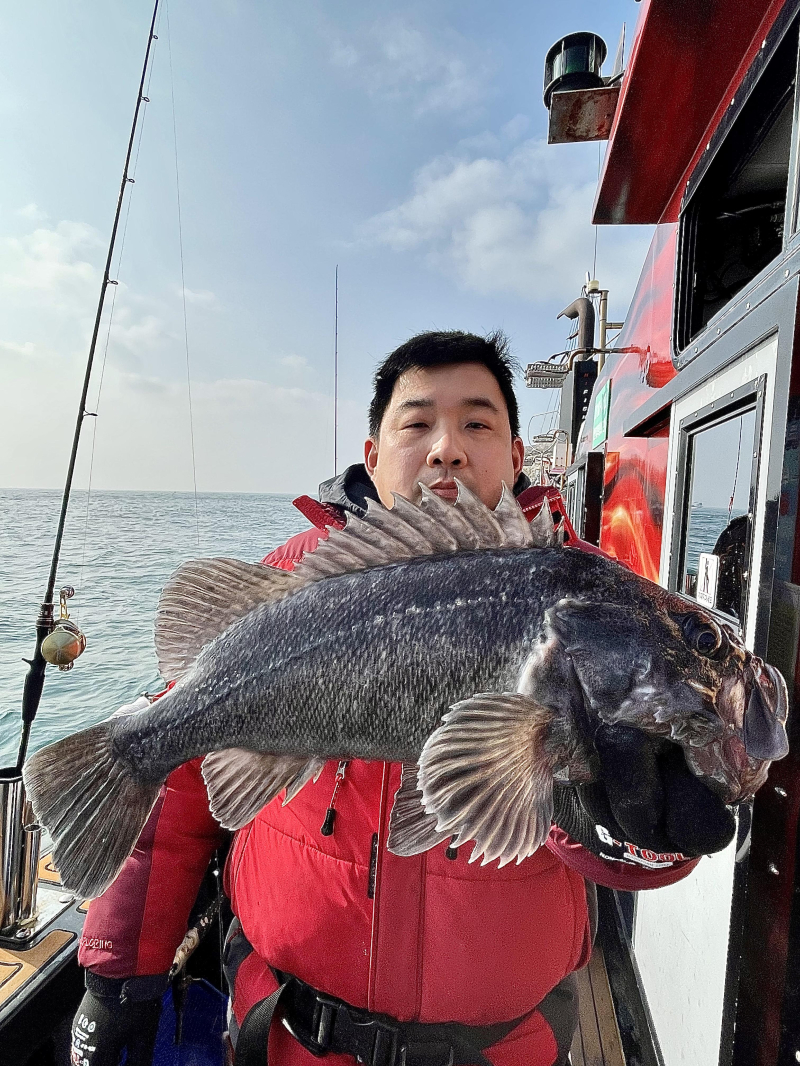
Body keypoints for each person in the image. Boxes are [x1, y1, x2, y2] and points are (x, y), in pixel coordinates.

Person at [71, 331, 735, 1066]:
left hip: (502, 1048)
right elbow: (175, 793)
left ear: (517, 456)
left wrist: (641, 826)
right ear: (373, 453)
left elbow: (639, 847)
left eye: (477, 423)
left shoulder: (590, 599)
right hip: (287, 1035)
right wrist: (115, 971)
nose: (446, 447)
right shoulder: (291, 585)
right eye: (416, 423)